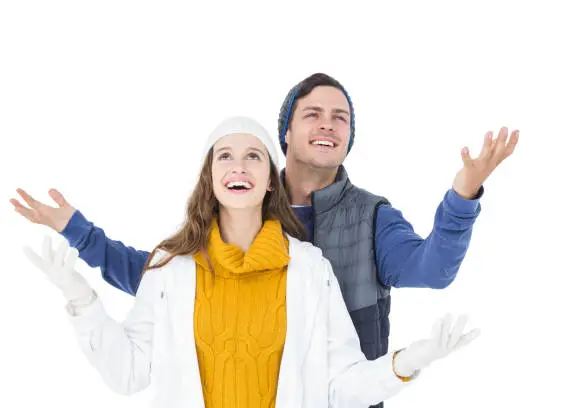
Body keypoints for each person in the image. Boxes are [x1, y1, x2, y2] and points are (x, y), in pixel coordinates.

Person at [12, 73, 517, 408]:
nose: (327, 124)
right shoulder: (180, 266)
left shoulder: (352, 232)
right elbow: (150, 285)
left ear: (267, 174)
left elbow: (432, 270)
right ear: (287, 136)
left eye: (340, 117)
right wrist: (78, 267)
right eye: (312, 114)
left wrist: (464, 194)